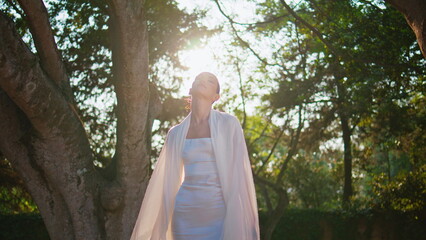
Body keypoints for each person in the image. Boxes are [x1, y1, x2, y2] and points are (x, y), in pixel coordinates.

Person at [130, 72, 260, 240]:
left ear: (216, 97)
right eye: (199, 78)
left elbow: (239, 174)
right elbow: (166, 181)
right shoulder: (175, 134)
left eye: (210, 80)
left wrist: (243, 216)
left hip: (218, 210)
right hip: (185, 211)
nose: (203, 81)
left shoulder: (229, 124)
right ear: (190, 88)